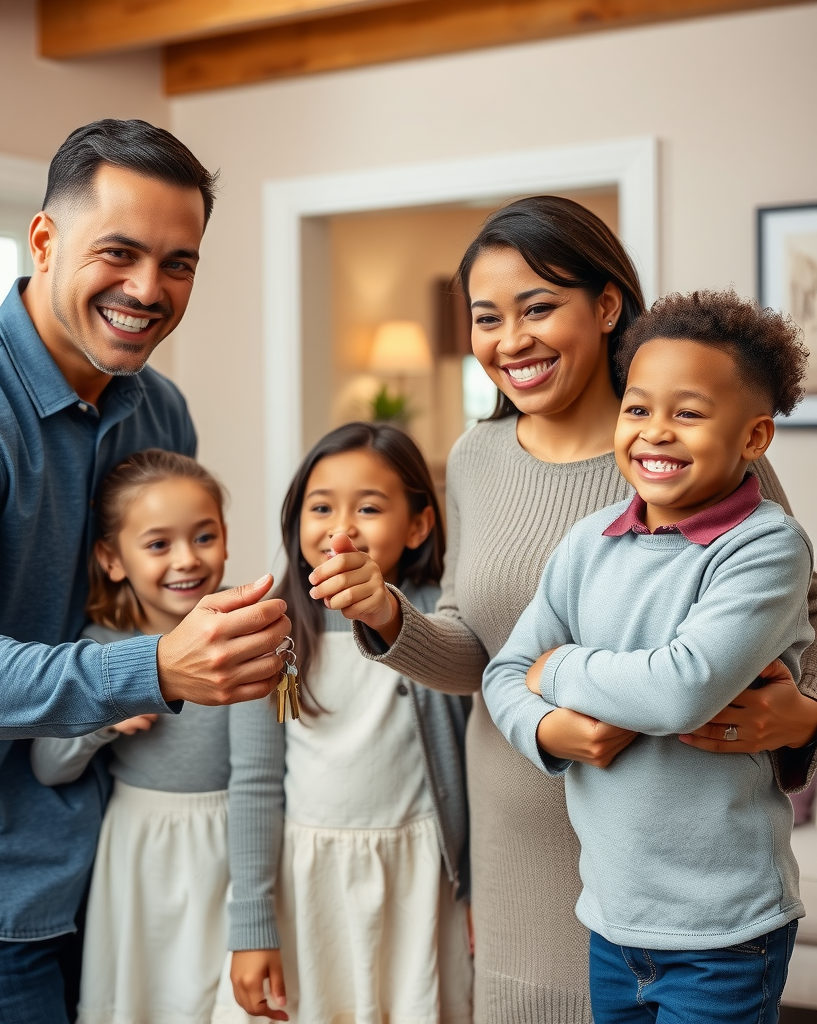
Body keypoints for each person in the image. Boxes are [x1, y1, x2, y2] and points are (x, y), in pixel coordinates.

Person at [306, 196, 817, 1022]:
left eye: (539, 307)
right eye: (486, 317)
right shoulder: (474, 457)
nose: (512, 340)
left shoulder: (704, 462)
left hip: (682, 858)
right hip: (518, 837)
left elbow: (795, 640)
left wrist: (804, 721)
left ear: (607, 305)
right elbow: (482, 647)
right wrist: (389, 618)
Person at [0, 120, 290, 1024]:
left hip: (120, 865)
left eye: (179, 263)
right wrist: (161, 669)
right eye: (120, 252)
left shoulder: (158, 408)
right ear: (45, 240)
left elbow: (167, 613)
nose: (148, 289)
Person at [483, 290, 811, 1023]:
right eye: (638, 408)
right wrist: (545, 729)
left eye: (688, 413)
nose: (655, 432)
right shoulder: (586, 541)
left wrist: (559, 670)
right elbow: (504, 673)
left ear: (754, 436)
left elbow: (679, 690)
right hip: (612, 917)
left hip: (725, 931)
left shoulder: (764, 547)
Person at [221, 423, 472, 1024]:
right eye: (321, 506)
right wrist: (252, 925)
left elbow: (472, 764)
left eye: (368, 507)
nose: (341, 527)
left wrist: (474, 891)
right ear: (295, 519)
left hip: (419, 880)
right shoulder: (269, 631)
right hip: (308, 885)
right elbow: (253, 783)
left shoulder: (441, 620)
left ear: (418, 525)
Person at [31, 449, 240, 1024]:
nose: (186, 560)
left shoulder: (244, 633)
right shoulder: (101, 650)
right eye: (158, 544)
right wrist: (104, 717)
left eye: (204, 536)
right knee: (147, 997)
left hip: (235, 838)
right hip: (143, 851)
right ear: (112, 559)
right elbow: (49, 765)